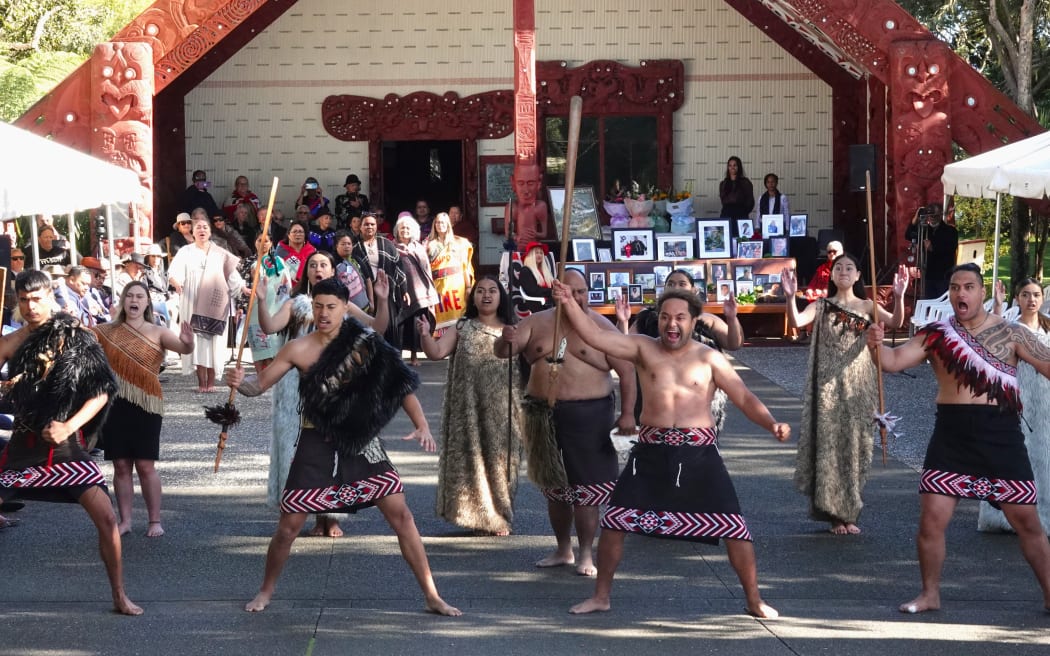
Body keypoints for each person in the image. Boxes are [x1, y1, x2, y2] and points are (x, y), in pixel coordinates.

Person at [550, 282, 790, 618]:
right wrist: (568, 303)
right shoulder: (643, 348)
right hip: (650, 451)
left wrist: (771, 423)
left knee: (735, 528)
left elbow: (744, 397)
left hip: (699, 452)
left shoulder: (710, 358)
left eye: (679, 317)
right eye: (664, 317)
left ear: (694, 321)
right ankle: (601, 596)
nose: (671, 324)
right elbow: (597, 336)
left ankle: (754, 600)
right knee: (616, 523)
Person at [225, 277, 459, 616]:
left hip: (361, 441)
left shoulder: (364, 342)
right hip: (315, 439)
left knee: (402, 515)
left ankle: (432, 594)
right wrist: (239, 383)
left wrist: (421, 424)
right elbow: (258, 386)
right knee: (288, 527)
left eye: (331, 307)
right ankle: (265, 590)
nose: (323, 313)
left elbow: (400, 386)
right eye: (318, 306)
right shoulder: (298, 348)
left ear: (345, 309)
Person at [867, 263, 1050, 613]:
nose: (960, 293)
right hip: (951, 434)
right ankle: (929, 594)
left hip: (1000, 434)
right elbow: (892, 362)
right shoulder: (935, 333)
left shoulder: (1012, 334)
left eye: (968, 287)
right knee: (931, 519)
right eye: (954, 287)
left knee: (1027, 521)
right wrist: (875, 346)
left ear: (983, 292)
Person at [0, 270, 141, 615]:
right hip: (21, 448)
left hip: (64, 449)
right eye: (24, 300)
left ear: (50, 296)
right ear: (17, 302)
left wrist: (68, 426)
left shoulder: (76, 335)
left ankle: (119, 596)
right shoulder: (14, 339)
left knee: (107, 521)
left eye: (37, 299)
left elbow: (103, 391)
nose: (31, 306)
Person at [496, 269, 636, 577]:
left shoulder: (601, 327)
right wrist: (505, 340)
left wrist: (627, 415)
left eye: (582, 291)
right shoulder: (535, 322)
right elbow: (504, 352)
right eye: (570, 291)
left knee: (586, 490)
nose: (577, 297)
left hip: (590, 415)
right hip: (541, 415)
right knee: (554, 487)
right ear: (556, 293)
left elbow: (627, 372)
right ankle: (563, 548)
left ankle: (586, 553)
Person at [256, 251, 390, 538]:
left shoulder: (342, 305)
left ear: (333, 271)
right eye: (313, 265)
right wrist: (260, 301)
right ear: (306, 272)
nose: (318, 268)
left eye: (324, 265)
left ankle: (330, 516)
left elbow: (378, 327)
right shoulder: (295, 304)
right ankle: (299, 510)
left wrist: (382, 299)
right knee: (297, 447)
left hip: (334, 386)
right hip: (293, 386)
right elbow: (269, 327)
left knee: (330, 448)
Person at [782, 255, 907, 535]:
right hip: (828, 385)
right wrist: (791, 297)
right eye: (838, 267)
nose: (843, 271)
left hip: (860, 384)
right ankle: (835, 515)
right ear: (832, 275)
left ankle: (851, 511)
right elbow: (797, 320)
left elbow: (896, 321)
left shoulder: (867, 306)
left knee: (857, 446)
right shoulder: (822, 305)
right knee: (830, 447)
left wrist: (898, 296)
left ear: (859, 274)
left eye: (849, 267)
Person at [418, 276, 522, 536]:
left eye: (492, 291)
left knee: (502, 463)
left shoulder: (513, 328)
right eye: (480, 291)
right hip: (468, 408)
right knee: (471, 461)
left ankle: (499, 515)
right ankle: (478, 517)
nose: (486, 295)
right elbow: (436, 352)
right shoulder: (462, 327)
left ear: (501, 297)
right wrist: (424, 335)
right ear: (472, 297)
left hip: (504, 409)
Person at [94, 282, 194, 538]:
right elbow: (81, 340)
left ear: (147, 302)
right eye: (129, 296)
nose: (134, 300)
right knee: (121, 465)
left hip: (147, 403)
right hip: (115, 403)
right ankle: (125, 520)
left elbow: (183, 348)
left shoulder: (158, 332)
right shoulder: (106, 331)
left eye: (139, 296)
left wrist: (188, 343)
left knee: (145, 465)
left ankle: (154, 521)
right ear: (123, 301)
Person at [615, 270, 742, 429]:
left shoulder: (707, 320)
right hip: (655, 399)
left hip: (698, 403)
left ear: (694, 290)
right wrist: (623, 322)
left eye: (682, 284)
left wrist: (732, 318)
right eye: (671, 284)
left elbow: (734, 344)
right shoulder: (647, 318)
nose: (676, 287)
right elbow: (623, 347)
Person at [979, 278, 1050, 534]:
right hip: (1016, 400)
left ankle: (1043, 514)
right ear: (1017, 299)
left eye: (1035, 295)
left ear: (1042, 299)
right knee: (1015, 456)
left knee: (1045, 457)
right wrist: (997, 307)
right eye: (1025, 295)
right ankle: (1003, 515)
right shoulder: (1010, 329)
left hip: (1045, 402)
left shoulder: (1048, 329)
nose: (1031, 300)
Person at [168, 215, 248, 392]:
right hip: (192, 300)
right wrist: (176, 282)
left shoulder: (220, 253)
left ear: (210, 232)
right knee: (196, 340)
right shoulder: (185, 251)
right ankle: (201, 383)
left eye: (205, 227)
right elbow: (174, 272)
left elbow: (233, 276)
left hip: (215, 302)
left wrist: (243, 288)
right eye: (198, 227)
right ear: (193, 232)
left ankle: (211, 383)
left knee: (214, 341)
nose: (202, 230)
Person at [241, 232, 294, 372]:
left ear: (271, 243)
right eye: (259, 240)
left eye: (266, 241)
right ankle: (260, 377)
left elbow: (286, 284)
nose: (263, 243)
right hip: (256, 308)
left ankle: (272, 378)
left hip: (276, 308)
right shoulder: (249, 263)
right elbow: (243, 286)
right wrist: (241, 306)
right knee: (259, 346)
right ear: (255, 243)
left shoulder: (279, 262)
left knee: (273, 348)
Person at [353, 213, 406, 349]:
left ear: (376, 227)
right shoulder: (355, 248)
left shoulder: (387, 244)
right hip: (366, 294)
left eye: (372, 224)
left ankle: (393, 358)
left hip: (387, 291)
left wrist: (404, 289)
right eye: (366, 224)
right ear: (360, 227)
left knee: (389, 326)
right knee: (370, 329)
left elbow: (398, 265)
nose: (369, 227)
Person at [394, 215, 439, 366]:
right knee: (399, 325)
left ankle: (414, 356)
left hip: (419, 292)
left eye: (407, 228)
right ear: (397, 231)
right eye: (402, 228)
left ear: (413, 231)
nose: (405, 230)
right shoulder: (392, 247)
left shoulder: (419, 248)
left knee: (415, 326)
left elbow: (426, 272)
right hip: (399, 292)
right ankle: (398, 357)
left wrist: (428, 291)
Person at [426, 211, 475, 328]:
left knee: (460, 318)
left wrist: (468, 287)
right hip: (438, 287)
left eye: (442, 222)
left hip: (457, 286)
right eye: (437, 222)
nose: (440, 225)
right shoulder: (428, 245)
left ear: (448, 224)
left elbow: (465, 266)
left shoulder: (460, 243)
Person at [905, 204, 958, 299]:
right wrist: (916, 217)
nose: (932, 218)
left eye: (935, 215)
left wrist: (933, 248)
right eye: (930, 215)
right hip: (928, 275)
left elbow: (950, 249)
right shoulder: (925, 230)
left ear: (940, 214)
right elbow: (909, 235)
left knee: (942, 302)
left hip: (943, 275)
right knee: (928, 302)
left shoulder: (950, 231)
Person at [505, 161, 549, 252]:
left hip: (534, 249)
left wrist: (536, 234)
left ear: (539, 183)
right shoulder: (512, 207)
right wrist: (517, 238)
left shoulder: (541, 207)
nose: (526, 191)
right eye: (521, 183)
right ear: (513, 183)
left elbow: (544, 234)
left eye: (530, 183)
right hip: (519, 248)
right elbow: (508, 233)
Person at [333, 230, 373, 312]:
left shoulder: (357, 260)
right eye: (343, 244)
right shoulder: (333, 265)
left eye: (349, 244)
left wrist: (371, 302)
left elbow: (368, 279)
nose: (347, 246)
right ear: (336, 246)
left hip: (366, 309)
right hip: (347, 313)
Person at [719, 156, 754, 236]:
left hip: (741, 215)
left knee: (741, 239)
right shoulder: (723, 183)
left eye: (735, 165)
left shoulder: (745, 182)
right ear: (728, 167)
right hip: (726, 215)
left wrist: (743, 211)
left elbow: (750, 201)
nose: (732, 167)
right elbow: (723, 200)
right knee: (727, 239)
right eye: (730, 165)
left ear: (739, 167)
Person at [274, 220, 316, 286]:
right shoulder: (281, 252)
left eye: (301, 232)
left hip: (307, 289)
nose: (298, 234)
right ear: (288, 235)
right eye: (294, 231)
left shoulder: (312, 251)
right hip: (285, 290)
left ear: (305, 235)